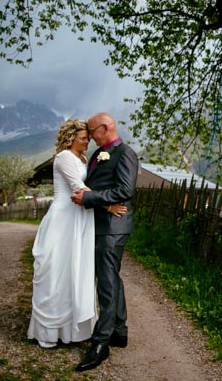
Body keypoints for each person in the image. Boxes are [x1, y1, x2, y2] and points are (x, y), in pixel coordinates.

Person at [27, 119, 126, 348]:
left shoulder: (82, 158)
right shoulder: (63, 158)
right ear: (71, 138)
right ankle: (50, 332)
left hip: (80, 218)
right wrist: (108, 205)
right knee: (58, 273)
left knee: (76, 272)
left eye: (88, 137)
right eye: (83, 138)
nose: (88, 141)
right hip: (64, 220)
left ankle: (72, 331)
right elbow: (78, 188)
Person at [71, 112, 138, 372]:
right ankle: (119, 332)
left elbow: (125, 191)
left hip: (113, 227)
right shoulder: (99, 155)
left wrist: (89, 198)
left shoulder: (125, 153)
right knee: (112, 277)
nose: (88, 135)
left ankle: (101, 343)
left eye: (91, 130)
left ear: (104, 128)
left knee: (107, 283)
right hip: (101, 225)